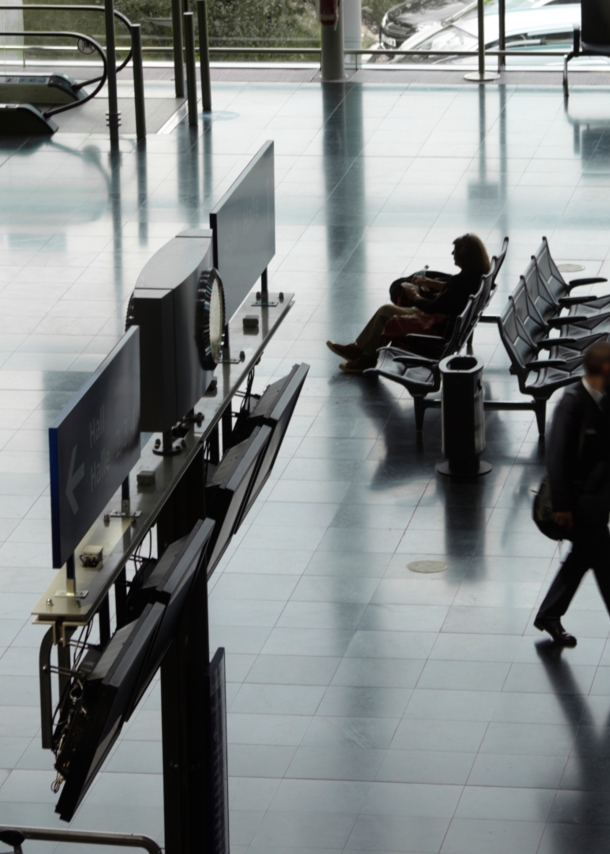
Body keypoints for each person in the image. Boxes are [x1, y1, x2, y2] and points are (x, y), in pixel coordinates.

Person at [534, 341, 610, 646]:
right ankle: (549, 614)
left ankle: (549, 614)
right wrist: (563, 507)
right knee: (604, 560)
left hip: (596, 501)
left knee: (583, 557)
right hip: (577, 506)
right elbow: (557, 460)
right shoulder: (572, 404)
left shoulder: (605, 400)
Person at [326, 233, 491, 374]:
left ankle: (365, 357)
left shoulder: (460, 282)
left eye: (455, 251)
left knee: (385, 311)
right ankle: (361, 352)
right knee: (387, 310)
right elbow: (453, 290)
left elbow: (431, 306)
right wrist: (429, 282)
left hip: (436, 325)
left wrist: (415, 295)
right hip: (445, 322)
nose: (452, 253)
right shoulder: (474, 277)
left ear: (464, 256)